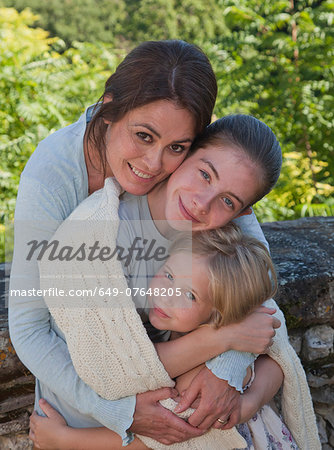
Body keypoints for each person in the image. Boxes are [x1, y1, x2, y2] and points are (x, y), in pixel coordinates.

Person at [33, 115, 319, 449]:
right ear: (184, 154)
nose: (202, 202)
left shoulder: (215, 245)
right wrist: (225, 338)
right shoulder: (101, 233)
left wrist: (240, 390)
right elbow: (115, 371)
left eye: (228, 201)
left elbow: (269, 330)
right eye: (204, 173)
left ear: (242, 214)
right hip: (76, 417)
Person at [30, 224, 299, 449]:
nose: (166, 294)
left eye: (189, 294)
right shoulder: (184, 332)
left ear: (219, 314)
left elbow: (156, 442)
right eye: (169, 275)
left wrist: (65, 439)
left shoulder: (202, 378)